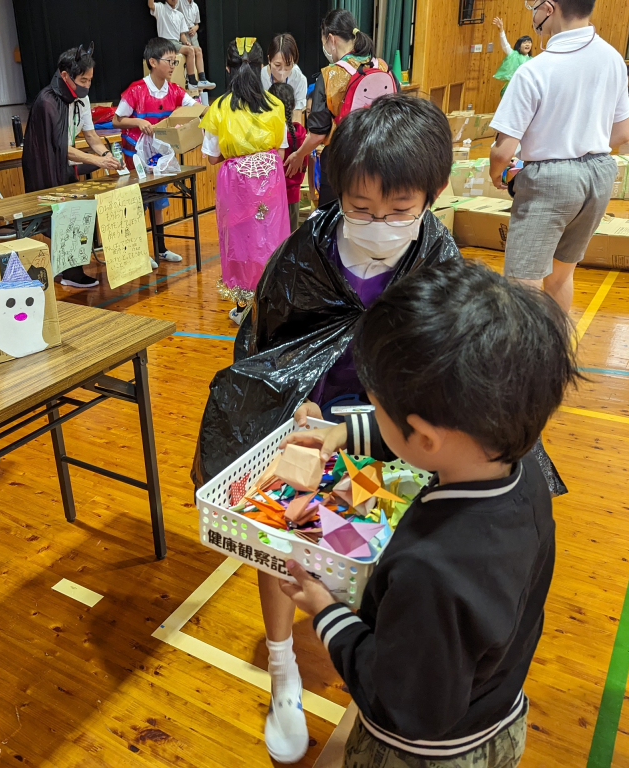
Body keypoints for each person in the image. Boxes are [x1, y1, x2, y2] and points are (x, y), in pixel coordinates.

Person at [192, 95, 461, 763]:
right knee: (281, 546)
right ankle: (283, 670)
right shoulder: (303, 254)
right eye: (362, 209)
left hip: (388, 432)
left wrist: (368, 425)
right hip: (308, 424)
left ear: (432, 196)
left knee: (374, 550)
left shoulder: (440, 261)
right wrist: (290, 417)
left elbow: (443, 375)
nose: (378, 225)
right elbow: (263, 353)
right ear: (338, 190)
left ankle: (363, 652)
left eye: (400, 212)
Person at [279, 257, 580, 768]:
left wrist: (325, 611)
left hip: (422, 752)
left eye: (376, 410)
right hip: (498, 710)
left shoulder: (432, 570)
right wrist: (345, 433)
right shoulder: (519, 463)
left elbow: (406, 706)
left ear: (423, 435)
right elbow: (434, 441)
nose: (374, 417)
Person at [489, 0, 629, 314]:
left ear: (548, 8)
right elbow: (622, 134)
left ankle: (527, 363)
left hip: (549, 180)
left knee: (521, 284)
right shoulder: (613, 59)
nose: (532, 15)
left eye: (532, 7)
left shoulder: (535, 69)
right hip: (600, 174)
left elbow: (503, 150)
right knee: (561, 275)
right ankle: (557, 356)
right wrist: (580, 143)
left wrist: (496, 173)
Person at [200, 38, 290, 325]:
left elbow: (212, 157)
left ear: (228, 68)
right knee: (271, 238)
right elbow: (281, 148)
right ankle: (271, 302)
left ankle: (243, 308)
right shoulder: (275, 105)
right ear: (262, 67)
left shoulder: (219, 108)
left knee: (239, 243)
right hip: (269, 179)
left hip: (236, 186)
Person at [22, 44, 123, 289]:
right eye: (83, 80)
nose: (87, 86)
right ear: (65, 76)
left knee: (79, 211)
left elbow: (91, 136)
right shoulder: (48, 101)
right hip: (46, 167)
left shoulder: (82, 99)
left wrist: (107, 154)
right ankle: (68, 272)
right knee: (63, 216)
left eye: (90, 80)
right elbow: (58, 147)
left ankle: (72, 269)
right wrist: (96, 160)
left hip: (67, 164)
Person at [284, 9, 390, 209]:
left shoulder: (330, 75)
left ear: (331, 39)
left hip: (341, 163)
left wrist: (299, 155)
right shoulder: (381, 66)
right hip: (380, 158)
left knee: (335, 225)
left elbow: (317, 134)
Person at [113, 38, 199, 266]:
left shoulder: (174, 90)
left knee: (159, 201)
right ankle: (139, 252)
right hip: (136, 157)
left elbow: (195, 108)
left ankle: (160, 249)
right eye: (169, 61)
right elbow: (117, 120)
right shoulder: (136, 90)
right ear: (152, 62)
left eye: (175, 61)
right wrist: (137, 122)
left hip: (159, 157)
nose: (173, 66)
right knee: (139, 203)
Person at [146, 0, 214, 92]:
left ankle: (202, 79)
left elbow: (181, 34)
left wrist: (186, 42)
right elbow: (151, 5)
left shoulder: (179, 14)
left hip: (176, 42)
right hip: (165, 42)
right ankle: (192, 81)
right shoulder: (161, 8)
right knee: (190, 51)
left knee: (198, 49)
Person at [269, 82, 306, 232]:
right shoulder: (301, 134)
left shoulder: (272, 136)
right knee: (289, 243)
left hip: (274, 198)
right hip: (293, 197)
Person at [260, 34, 308, 122]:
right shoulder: (260, 77)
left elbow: (297, 117)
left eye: (288, 65)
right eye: (277, 65)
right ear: (269, 60)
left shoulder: (299, 79)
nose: (282, 72)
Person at [491, 17, 533, 97]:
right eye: (525, 43)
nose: (527, 44)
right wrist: (501, 30)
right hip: (511, 88)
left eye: (529, 43)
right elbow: (505, 45)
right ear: (519, 46)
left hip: (526, 90)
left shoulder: (532, 60)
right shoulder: (513, 54)